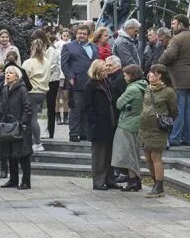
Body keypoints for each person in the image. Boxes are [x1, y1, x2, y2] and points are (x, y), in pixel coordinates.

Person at [159, 15, 190, 147]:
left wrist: (159, 63)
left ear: (181, 24)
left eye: (173, 23)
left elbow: (170, 55)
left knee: (178, 110)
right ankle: (188, 138)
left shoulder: (177, 39)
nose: (172, 26)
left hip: (178, 78)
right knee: (189, 110)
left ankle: (175, 138)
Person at [139, 64, 178, 197]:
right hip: (145, 129)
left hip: (158, 129)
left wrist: (165, 121)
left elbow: (174, 111)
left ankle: (159, 186)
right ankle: (154, 181)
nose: (149, 75)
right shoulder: (147, 88)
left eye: (152, 73)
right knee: (148, 157)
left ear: (159, 75)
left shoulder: (168, 91)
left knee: (156, 156)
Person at [82, 60, 120, 190]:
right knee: (99, 155)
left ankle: (109, 179)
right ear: (97, 71)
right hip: (98, 125)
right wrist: (95, 121)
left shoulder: (106, 83)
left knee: (109, 154)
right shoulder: (91, 85)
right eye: (104, 69)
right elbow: (88, 107)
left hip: (109, 122)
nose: (107, 71)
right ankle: (98, 181)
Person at [112, 65, 147, 191]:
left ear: (132, 75)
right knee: (133, 153)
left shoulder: (132, 89)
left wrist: (124, 104)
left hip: (128, 124)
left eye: (126, 74)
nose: (124, 77)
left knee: (128, 154)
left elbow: (119, 103)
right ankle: (135, 181)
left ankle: (133, 181)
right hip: (137, 122)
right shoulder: (143, 86)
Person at [0, 66, 33, 189]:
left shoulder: (22, 89)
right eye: (6, 73)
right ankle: (13, 180)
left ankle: (26, 181)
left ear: (16, 76)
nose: (7, 75)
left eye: (11, 73)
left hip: (20, 126)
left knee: (23, 155)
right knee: (11, 154)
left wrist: (23, 123)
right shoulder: (5, 88)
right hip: (8, 126)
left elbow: (27, 108)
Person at [61, 25, 97, 142]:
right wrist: (70, 77)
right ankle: (74, 133)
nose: (81, 36)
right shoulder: (68, 47)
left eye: (84, 34)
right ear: (76, 34)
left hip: (91, 82)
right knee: (76, 108)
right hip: (76, 82)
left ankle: (84, 133)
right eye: (79, 33)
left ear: (88, 35)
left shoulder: (94, 47)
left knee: (87, 108)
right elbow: (64, 64)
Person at [22, 39, 51, 152]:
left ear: (32, 48)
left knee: (32, 118)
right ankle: (35, 141)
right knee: (35, 117)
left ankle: (37, 142)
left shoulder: (28, 62)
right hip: (42, 91)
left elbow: (24, 77)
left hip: (32, 92)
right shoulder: (47, 62)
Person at [31, 30, 61, 139]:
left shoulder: (51, 50)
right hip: (41, 79)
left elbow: (51, 66)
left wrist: (40, 73)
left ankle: (50, 130)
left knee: (50, 105)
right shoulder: (39, 49)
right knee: (40, 107)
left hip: (52, 80)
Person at [54, 27, 71, 125]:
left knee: (66, 96)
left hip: (65, 74)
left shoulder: (71, 44)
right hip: (57, 73)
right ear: (61, 36)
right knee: (57, 96)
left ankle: (65, 115)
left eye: (67, 36)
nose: (66, 37)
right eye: (64, 35)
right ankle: (57, 116)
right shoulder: (57, 44)